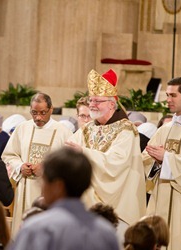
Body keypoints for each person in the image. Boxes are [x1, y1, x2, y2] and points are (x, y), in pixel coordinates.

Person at [66, 69, 146, 237]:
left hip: (117, 205)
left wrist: (83, 152)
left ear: (111, 104)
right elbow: (69, 147)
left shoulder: (126, 130)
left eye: (97, 101)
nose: (92, 104)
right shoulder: (88, 128)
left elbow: (116, 163)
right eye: (91, 100)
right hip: (85, 204)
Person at [9, 147, 119, 250]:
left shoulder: (37, 229)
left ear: (58, 186)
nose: (40, 185)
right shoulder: (106, 232)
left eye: (44, 180)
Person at [1, 92, 72, 236]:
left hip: (51, 193)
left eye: (42, 113)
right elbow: (8, 155)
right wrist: (20, 167)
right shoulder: (22, 128)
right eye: (34, 113)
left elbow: (70, 163)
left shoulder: (64, 132)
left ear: (51, 109)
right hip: (24, 191)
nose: (38, 117)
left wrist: (47, 170)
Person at [142, 77, 181, 250]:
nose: (168, 100)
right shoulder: (164, 129)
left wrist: (166, 158)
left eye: (173, 95)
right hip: (159, 199)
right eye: (167, 95)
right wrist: (156, 160)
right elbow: (145, 159)